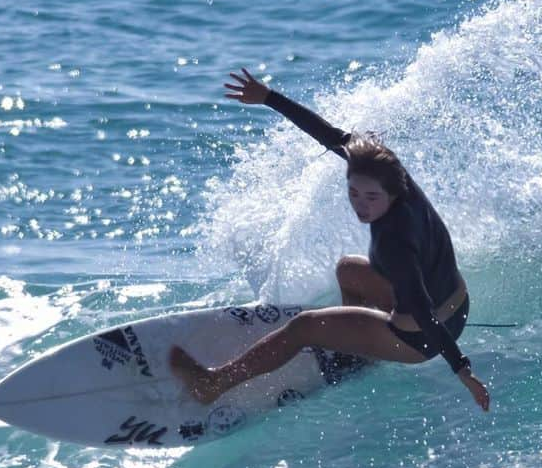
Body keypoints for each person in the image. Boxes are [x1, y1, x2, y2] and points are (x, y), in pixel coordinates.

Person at [169, 68, 490, 412]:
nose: (360, 205)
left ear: (391, 191)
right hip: (458, 304)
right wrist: (268, 98)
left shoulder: (394, 242)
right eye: (353, 192)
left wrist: (462, 370)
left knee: (304, 328)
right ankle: (360, 354)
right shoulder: (398, 179)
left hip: (419, 339)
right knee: (348, 270)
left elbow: (424, 315)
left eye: (371, 197)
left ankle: (213, 384)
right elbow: (330, 136)